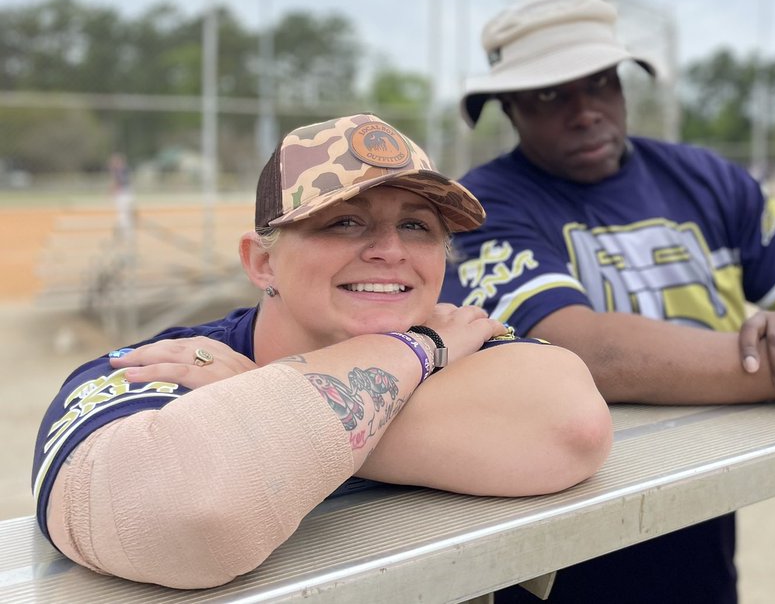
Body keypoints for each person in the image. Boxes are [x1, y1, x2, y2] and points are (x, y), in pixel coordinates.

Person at [442, 0, 775, 603]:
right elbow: (584, 350)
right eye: (549, 95)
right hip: (554, 540)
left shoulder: (702, 176)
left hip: (700, 514)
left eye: (599, 83)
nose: (585, 110)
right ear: (509, 108)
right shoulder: (481, 206)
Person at [32, 113, 612, 589]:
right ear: (262, 263)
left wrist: (259, 397)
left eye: (417, 227)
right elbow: (189, 518)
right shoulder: (166, 366)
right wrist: (417, 351)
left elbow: (573, 426)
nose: (389, 250)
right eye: (344, 223)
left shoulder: (461, 339)